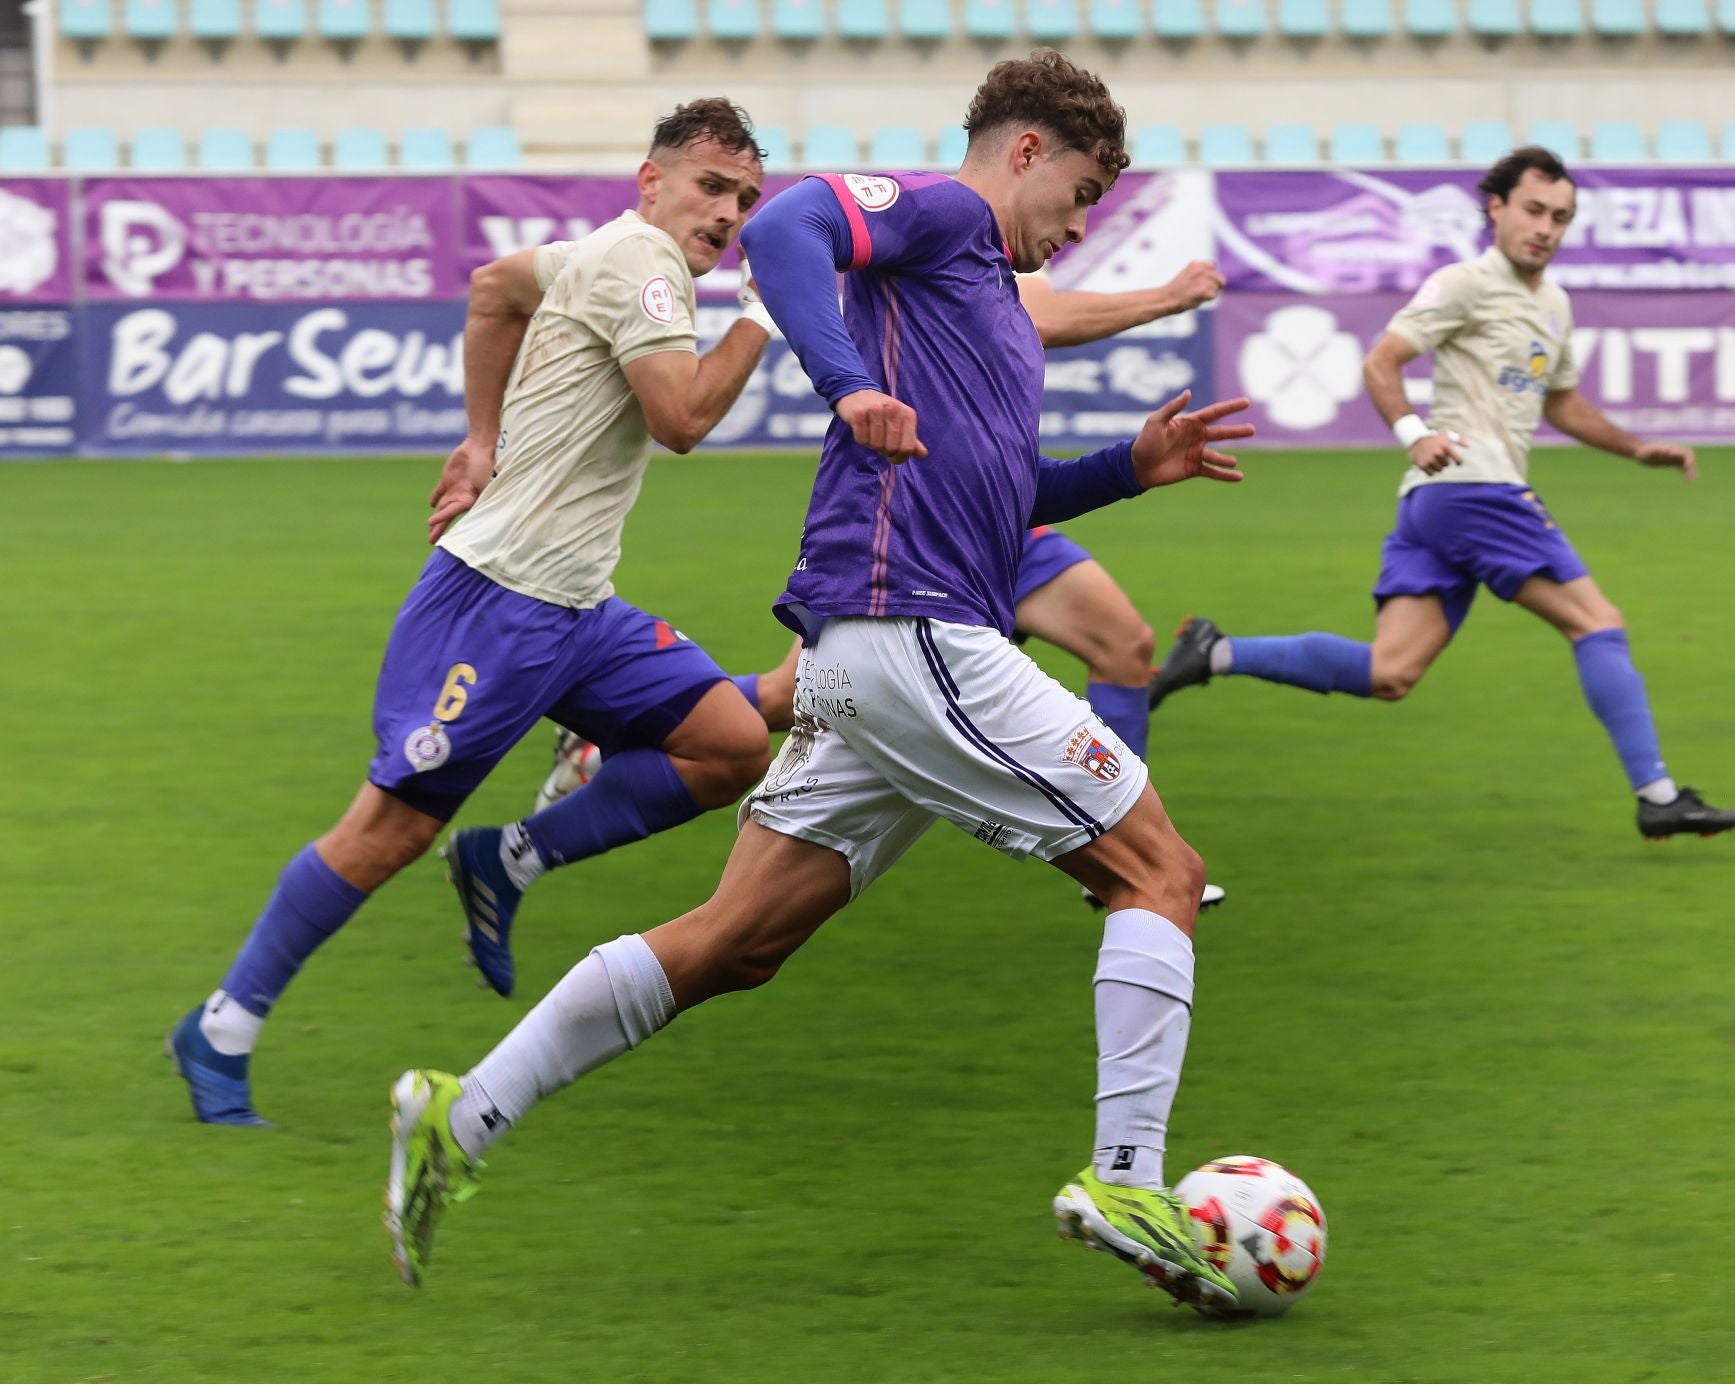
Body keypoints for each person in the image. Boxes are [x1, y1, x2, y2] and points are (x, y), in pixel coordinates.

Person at [384, 51, 1254, 1312]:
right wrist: (845, 384)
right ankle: (1127, 1178)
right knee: (1159, 872)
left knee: (736, 943)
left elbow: (1001, 499)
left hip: (882, 657)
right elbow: (791, 225)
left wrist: (1131, 465)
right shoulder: (947, 212)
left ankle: (457, 1119)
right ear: (1022, 152)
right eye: (1079, 192)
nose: (1079, 226)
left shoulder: (988, 298)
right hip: (914, 640)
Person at [167, 100, 777, 1126]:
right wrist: (765, 309)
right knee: (386, 831)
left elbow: (494, 287)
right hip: (495, 604)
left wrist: (482, 438)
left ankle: (510, 856)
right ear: (651, 181)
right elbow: (682, 420)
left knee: (730, 743)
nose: (727, 213)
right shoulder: (648, 266)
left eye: (746, 200)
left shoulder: (602, 251)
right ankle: (220, 1029)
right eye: (710, 187)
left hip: (577, 603)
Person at [530, 261, 1232, 909]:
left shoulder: (985, 237)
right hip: (927, 530)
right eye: (1079, 194)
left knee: (1124, 643)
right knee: (783, 699)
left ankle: (1120, 847)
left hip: (995, 514)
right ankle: (608, 740)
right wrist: (1170, 297)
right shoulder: (959, 236)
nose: (1075, 226)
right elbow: (1041, 315)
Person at [1150, 146, 1735, 842]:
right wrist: (1413, 431)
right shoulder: (1464, 282)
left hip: (1441, 506)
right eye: (1533, 210)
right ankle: (1658, 794)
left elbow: (1563, 404)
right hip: (1474, 488)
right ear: (1496, 208)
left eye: (1560, 217)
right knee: (1597, 623)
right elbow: (1382, 359)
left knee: (1390, 671)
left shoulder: (1553, 304)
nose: (1546, 227)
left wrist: (1637, 447)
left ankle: (1216, 652)